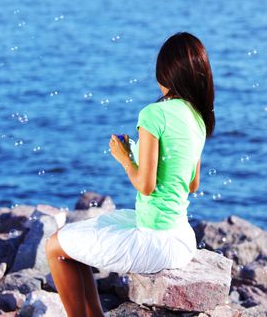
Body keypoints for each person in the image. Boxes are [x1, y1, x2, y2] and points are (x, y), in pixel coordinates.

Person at [45, 31, 215, 317]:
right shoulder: (197, 118)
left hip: (154, 241)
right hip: (182, 238)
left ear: (166, 72)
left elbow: (145, 186)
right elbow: (192, 183)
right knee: (77, 236)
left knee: (55, 247)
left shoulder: (153, 114)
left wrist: (125, 158)